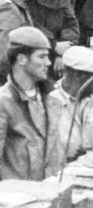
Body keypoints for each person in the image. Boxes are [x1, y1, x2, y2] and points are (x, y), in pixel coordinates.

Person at [0, 26, 61, 181]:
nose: (48, 63)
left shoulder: (52, 98)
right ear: (21, 59)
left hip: (52, 193)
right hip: (18, 198)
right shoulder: (4, 102)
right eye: (41, 57)